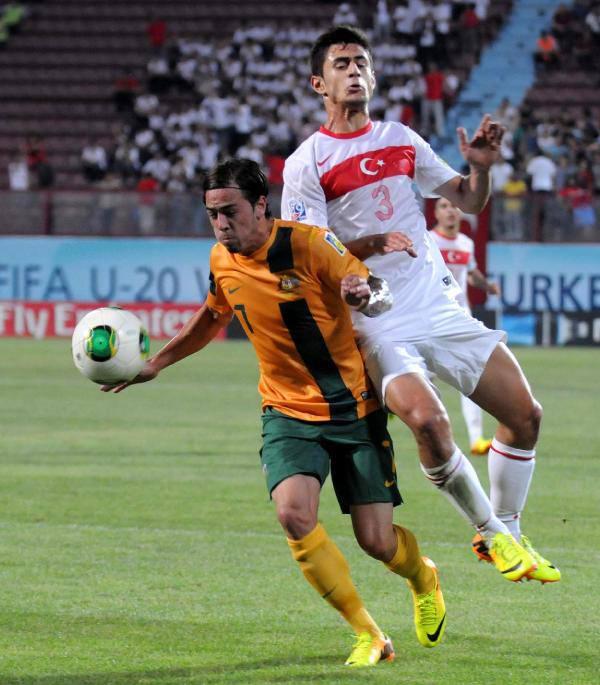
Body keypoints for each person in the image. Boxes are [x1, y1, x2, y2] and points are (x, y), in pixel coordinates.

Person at [102, 158, 447, 667]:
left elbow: (376, 290)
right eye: (212, 214)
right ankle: (369, 634)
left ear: (261, 204)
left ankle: (422, 576)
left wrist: (363, 294)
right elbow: (212, 315)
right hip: (286, 411)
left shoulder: (309, 244)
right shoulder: (222, 260)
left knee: (376, 541)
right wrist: (158, 363)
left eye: (230, 211)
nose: (221, 224)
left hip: (353, 408)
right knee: (293, 513)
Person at [281, 25, 560, 584]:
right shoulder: (306, 162)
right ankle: (491, 532)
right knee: (429, 422)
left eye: (362, 62)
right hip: (376, 320)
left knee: (526, 416)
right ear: (318, 83)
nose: (354, 71)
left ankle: (507, 529)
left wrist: (481, 167)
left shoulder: (402, 138)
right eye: (341, 64)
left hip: (436, 305)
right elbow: (308, 255)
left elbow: (468, 200)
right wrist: (369, 246)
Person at [430, 198, 500, 455]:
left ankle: (476, 440)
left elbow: (471, 273)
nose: (450, 210)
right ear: (436, 213)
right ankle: (433, 439)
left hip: (461, 321)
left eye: (453, 206)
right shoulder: (428, 241)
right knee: (423, 380)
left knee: (472, 377)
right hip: (431, 320)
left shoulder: (466, 244)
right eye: (444, 206)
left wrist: (487, 286)